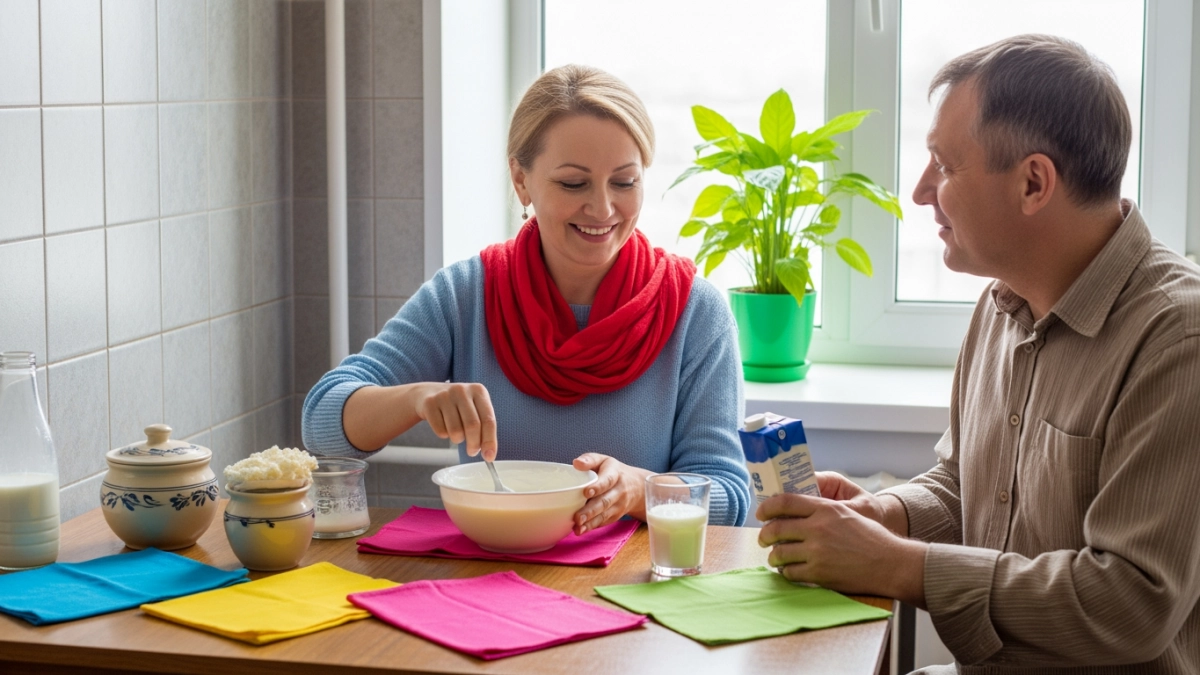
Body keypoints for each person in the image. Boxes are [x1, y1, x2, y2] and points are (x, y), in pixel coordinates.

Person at [757, 34, 1200, 673]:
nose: (919, 191)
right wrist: (881, 516)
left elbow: (1129, 604)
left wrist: (893, 563)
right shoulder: (1001, 302)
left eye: (944, 164)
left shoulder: (1178, 340)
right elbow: (966, 488)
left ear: (1033, 183)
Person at [303, 64, 751, 530]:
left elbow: (730, 496)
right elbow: (322, 425)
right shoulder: (467, 295)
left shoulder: (695, 312)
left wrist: (641, 490)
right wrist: (418, 397)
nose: (602, 208)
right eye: (573, 183)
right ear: (521, 180)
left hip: (633, 590)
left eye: (624, 182)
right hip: (492, 582)